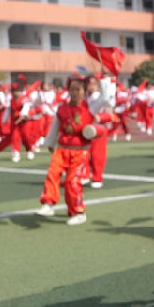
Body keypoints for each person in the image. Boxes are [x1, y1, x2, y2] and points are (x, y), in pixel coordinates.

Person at [35, 76, 96, 226]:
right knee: (52, 173)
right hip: (62, 150)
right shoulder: (62, 109)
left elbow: (107, 100)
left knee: (72, 182)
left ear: (84, 91)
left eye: (78, 89)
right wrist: (50, 142)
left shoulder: (90, 107)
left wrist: (108, 78)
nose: (75, 92)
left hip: (80, 152)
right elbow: (56, 126)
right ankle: (48, 203)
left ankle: (78, 212)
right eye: (72, 89)